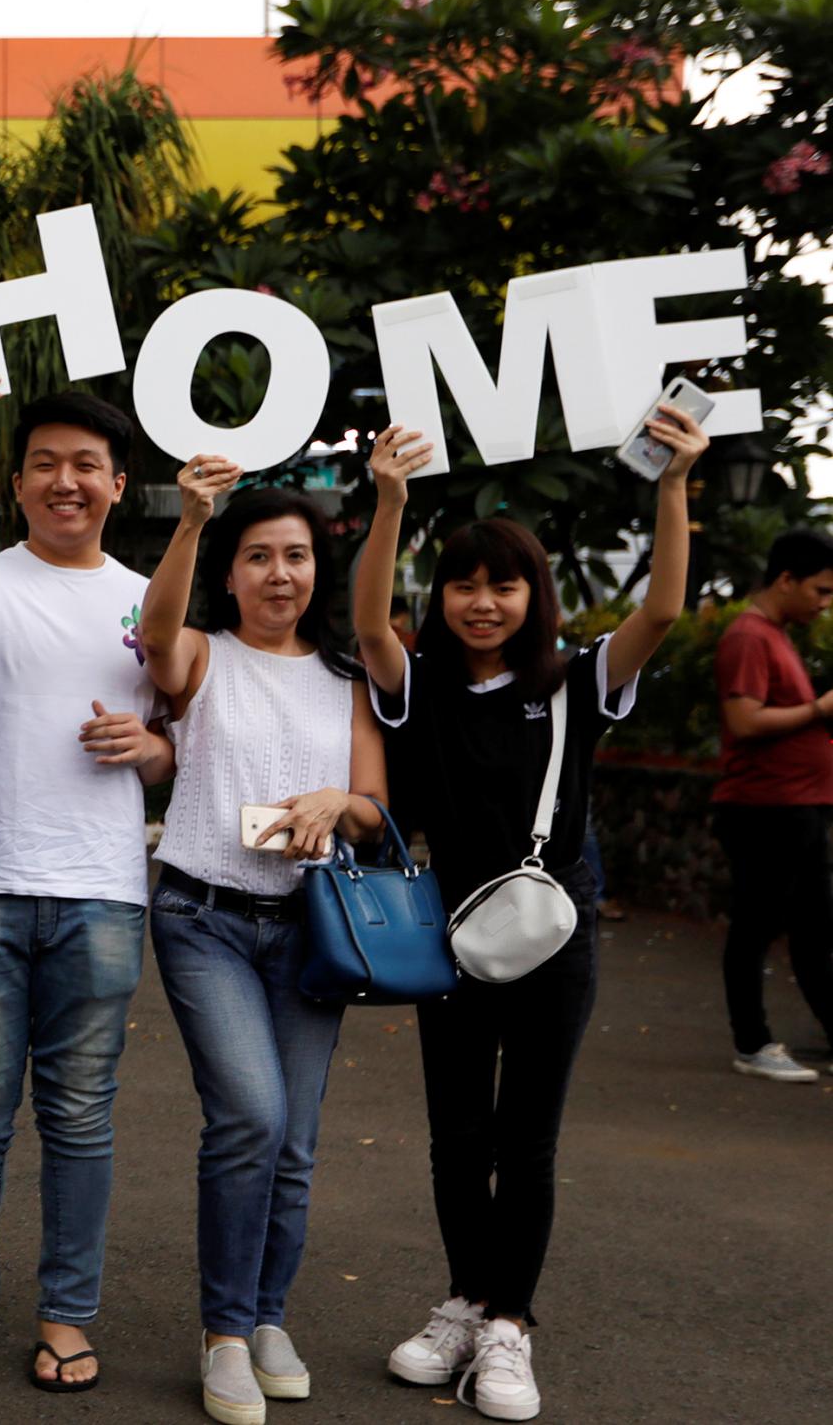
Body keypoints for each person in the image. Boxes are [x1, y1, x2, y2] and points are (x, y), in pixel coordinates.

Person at [355, 409, 704, 1422]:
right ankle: (462, 1300)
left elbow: (663, 614)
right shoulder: (414, 685)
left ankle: (509, 1324)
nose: (479, 601)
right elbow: (372, 622)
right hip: (444, 936)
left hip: (556, 935)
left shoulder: (569, 683)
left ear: (530, 594)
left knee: (527, 1137)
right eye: (462, 583)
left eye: (501, 583)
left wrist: (672, 487)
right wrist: (387, 502)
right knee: (454, 1136)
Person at [0, 373, 175, 1392]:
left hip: (103, 892)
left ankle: (66, 1313)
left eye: (85, 466)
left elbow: (177, 745)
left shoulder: (145, 596)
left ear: (116, 483)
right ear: (16, 480)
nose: (66, 482)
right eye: (44, 464)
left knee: (78, 1116)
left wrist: (149, 746)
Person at [137, 465, 389, 1425]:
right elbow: (154, 635)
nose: (279, 575)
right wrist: (194, 517)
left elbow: (374, 808)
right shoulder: (201, 654)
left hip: (311, 930)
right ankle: (226, 1334)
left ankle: (268, 1314)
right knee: (249, 1115)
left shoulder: (348, 680)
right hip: (204, 918)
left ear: (315, 570)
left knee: (296, 1138)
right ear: (231, 574)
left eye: (294, 556)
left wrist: (345, 803)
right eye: (258, 558)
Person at [711, 527, 833, 1083]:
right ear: (787, 580)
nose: (824, 603)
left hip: (795, 806)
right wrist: (820, 709)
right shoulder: (749, 637)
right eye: (821, 590)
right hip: (765, 808)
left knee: (813, 929)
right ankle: (752, 1042)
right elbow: (744, 720)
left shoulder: (775, 633)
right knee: (757, 927)